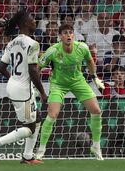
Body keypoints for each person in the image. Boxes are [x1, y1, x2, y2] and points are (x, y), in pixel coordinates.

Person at [35, 24, 105, 160]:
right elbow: (37, 67)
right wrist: (36, 87)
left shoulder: (82, 47)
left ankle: (96, 146)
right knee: (52, 114)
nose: (68, 35)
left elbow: (90, 62)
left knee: (96, 111)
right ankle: (41, 149)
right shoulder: (52, 51)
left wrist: (94, 77)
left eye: (70, 33)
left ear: (73, 35)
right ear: (60, 36)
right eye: (65, 33)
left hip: (78, 81)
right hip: (58, 84)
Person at [0, 10, 47, 164]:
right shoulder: (33, 44)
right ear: (25, 24)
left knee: (37, 118)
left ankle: (28, 156)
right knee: (30, 128)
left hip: (13, 86)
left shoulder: (11, 43)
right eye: (32, 19)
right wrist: (42, 92)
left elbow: (0, 68)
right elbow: (33, 71)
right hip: (23, 91)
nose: (35, 21)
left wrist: (14, 79)